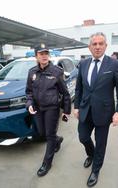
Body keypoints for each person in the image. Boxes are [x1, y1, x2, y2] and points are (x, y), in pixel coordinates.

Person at [74, 32, 118, 187]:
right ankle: (91, 154)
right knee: (83, 137)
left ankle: (95, 170)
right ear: (90, 46)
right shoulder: (83, 64)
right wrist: (76, 106)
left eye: (101, 43)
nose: (97, 47)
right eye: (94, 44)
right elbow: (79, 88)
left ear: (106, 46)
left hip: (104, 112)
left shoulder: (114, 64)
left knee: (101, 143)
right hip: (85, 110)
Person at [25, 43, 71, 177]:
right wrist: (29, 104)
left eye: (46, 53)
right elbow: (28, 91)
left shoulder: (56, 71)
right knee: (42, 133)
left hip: (52, 108)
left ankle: (47, 163)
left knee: (49, 135)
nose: (44, 56)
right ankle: (58, 140)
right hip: (38, 108)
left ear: (49, 55)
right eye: (41, 54)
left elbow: (65, 93)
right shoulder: (32, 72)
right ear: (36, 56)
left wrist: (66, 111)